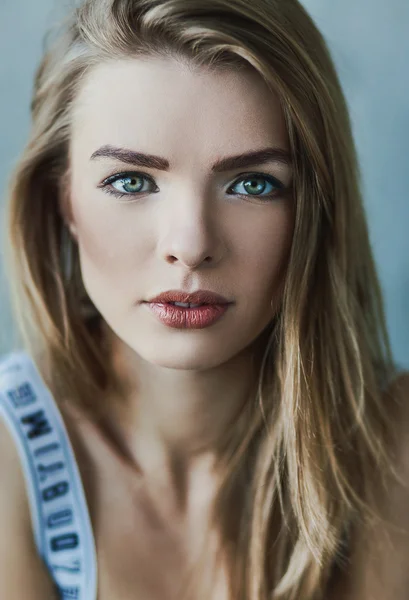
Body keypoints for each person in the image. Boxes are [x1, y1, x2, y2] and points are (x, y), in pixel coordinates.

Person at [0, 0, 408, 598]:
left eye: (252, 183)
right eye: (131, 181)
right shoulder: (9, 456)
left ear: (312, 211)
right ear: (62, 202)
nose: (190, 246)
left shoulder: (392, 441)